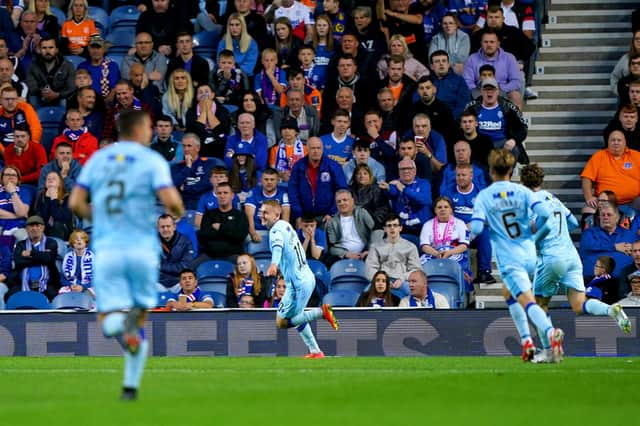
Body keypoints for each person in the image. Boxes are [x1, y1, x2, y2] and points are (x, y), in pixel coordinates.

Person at [69, 109, 185, 400]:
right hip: (143, 249)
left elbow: (75, 202)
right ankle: (131, 387)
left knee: (108, 319)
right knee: (140, 313)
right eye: (148, 127)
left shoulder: (98, 159)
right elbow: (173, 203)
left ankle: (119, 326)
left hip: (108, 248)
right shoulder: (151, 161)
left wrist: (98, 215)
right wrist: (177, 211)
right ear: (141, 129)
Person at [519, 163, 631, 363]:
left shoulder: (529, 203)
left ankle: (549, 347)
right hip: (571, 256)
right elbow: (572, 223)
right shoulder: (554, 199)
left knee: (539, 305)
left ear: (522, 183)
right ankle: (610, 309)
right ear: (541, 180)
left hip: (551, 257)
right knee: (579, 304)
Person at [470, 149, 563, 363]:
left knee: (527, 301)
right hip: (529, 253)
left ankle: (550, 332)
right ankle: (527, 342)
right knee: (508, 293)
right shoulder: (523, 192)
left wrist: (478, 226)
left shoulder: (484, 196)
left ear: (491, 170)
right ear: (511, 170)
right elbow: (545, 214)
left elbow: (476, 228)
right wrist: (533, 231)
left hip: (509, 257)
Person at [260, 199, 338, 359]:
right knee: (297, 318)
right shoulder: (285, 225)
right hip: (305, 277)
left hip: (298, 284)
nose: (262, 215)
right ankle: (316, 351)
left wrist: (274, 264)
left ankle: (321, 312)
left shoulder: (275, 231)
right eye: (261, 212)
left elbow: (277, 246)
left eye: (266, 212)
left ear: (276, 215)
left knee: (282, 322)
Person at [464, 77, 529, 165]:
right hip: (479, 143)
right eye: (486, 89)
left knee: (514, 150)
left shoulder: (508, 107)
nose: (489, 92)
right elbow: (461, 124)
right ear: (481, 92)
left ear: (498, 91)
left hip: (501, 144)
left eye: (492, 89)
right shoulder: (472, 107)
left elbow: (522, 127)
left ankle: (505, 177)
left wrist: (513, 140)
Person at [288, 136, 347, 226]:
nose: (316, 151)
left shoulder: (333, 166)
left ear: (322, 148)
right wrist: (298, 214)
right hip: (304, 216)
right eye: (313, 148)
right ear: (307, 149)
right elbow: (293, 191)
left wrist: (332, 213)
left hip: (326, 216)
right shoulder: (298, 166)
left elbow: (342, 190)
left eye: (318, 148)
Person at [581, 130, 640, 212]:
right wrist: (589, 197)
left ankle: (628, 220)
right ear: (608, 142)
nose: (616, 142)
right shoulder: (599, 156)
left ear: (625, 142)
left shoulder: (636, 156)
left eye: (619, 140)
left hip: (633, 202)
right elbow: (586, 178)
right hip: (605, 202)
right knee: (588, 209)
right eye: (613, 140)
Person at [5, 215, 60, 302]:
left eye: (37, 225)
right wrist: (41, 257)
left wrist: (30, 253)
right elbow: (19, 261)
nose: (34, 228)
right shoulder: (21, 245)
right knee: (9, 297)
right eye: (31, 226)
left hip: (47, 284)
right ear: (26, 229)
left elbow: (49, 259)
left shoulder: (51, 242)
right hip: (22, 283)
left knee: (55, 298)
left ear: (43, 228)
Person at [463, 29, 522, 108]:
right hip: (479, 92)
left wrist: (501, 88)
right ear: (481, 43)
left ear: (498, 43)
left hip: (502, 91)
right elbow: (467, 81)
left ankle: (516, 120)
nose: (489, 45)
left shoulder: (509, 58)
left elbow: (516, 81)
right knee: (463, 95)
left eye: (492, 42)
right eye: (486, 42)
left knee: (516, 96)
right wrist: (480, 91)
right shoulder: (472, 59)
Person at [365, 214, 422, 297]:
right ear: (384, 229)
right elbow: (370, 268)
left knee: (416, 295)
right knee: (365, 296)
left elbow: (416, 269)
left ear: (400, 228)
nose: (392, 228)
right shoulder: (375, 247)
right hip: (381, 281)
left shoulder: (410, 247)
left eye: (395, 225)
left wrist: (402, 279)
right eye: (389, 225)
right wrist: (382, 280)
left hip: (403, 281)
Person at [420, 196, 471, 285]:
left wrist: (449, 253)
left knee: (460, 269)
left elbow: (464, 245)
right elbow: (424, 246)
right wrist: (437, 254)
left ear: (451, 209)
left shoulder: (460, 223)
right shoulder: (427, 224)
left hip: (455, 253)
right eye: (439, 207)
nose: (442, 209)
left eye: (446, 207)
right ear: (435, 210)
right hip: (434, 253)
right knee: (420, 269)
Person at [195, 182, 248, 264]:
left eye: (225, 193)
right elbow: (204, 235)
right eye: (219, 193)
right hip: (209, 255)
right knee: (191, 268)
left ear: (232, 195)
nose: (222, 196)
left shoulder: (240, 215)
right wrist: (230, 231)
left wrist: (221, 228)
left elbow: (240, 236)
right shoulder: (209, 214)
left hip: (233, 256)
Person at [580, 203, 635, 280]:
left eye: (609, 215)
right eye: (603, 215)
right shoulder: (589, 233)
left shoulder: (629, 235)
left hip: (623, 280)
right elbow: (589, 246)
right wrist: (615, 247)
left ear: (617, 218)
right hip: (593, 279)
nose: (605, 217)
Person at [379, 157, 432, 236]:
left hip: (422, 227)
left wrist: (404, 189)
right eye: (402, 169)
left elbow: (425, 200)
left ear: (415, 171)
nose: (406, 171)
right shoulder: (395, 184)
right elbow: (392, 193)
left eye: (409, 168)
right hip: (402, 229)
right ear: (399, 171)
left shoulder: (423, 183)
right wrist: (387, 188)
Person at [326, 189, 376, 263]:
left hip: (365, 253)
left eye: (345, 200)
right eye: (339, 201)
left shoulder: (362, 213)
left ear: (352, 201)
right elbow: (332, 247)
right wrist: (346, 254)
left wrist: (370, 250)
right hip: (343, 255)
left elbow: (376, 231)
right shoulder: (332, 222)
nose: (342, 203)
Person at [171, 133, 217, 210]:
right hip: (183, 204)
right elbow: (174, 183)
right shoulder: (176, 166)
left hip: (204, 203)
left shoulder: (209, 164)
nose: (186, 149)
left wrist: (186, 188)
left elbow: (207, 183)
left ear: (198, 148)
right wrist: (188, 167)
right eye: (184, 146)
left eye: (189, 146)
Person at [185, 83, 231, 159]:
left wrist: (208, 110)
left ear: (212, 95)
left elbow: (222, 130)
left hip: (219, 144)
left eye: (206, 91)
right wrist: (203, 112)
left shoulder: (222, 110)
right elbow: (193, 133)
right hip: (199, 144)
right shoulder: (191, 112)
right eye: (200, 92)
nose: (204, 94)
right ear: (197, 97)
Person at [245, 168, 290, 243]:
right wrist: (253, 233)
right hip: (257, 230)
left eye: (272, 179)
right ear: (261, 180)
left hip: (277, 231)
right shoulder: (253, 192)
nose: (269, 182)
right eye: (266, 179)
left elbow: (286, 216)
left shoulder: (283, 194)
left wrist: (283, 234)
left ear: (278, 181)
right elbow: (249, 216)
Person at [77, 35, 121, 102]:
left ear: (104, 49)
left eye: (98, 48)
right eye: (93, 48)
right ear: (88, 49)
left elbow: (114, 89)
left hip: (105, 102)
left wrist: (105, 103)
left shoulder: (112, 66)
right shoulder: (82, 66)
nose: (95, 51)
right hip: (86, 100)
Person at [429, 50, 471, 119]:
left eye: (444, 61)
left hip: (452, 121)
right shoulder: (426, 81)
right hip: (428, 122)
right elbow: (417, 100)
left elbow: (464, 103)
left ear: (448, 64)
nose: (441, 64)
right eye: (437, 61)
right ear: (431, 66)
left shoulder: (459, 80)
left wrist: (451, 118)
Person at [157, 214, 194, 292]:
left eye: (168, 226)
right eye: (162, 227)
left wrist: (160, 266)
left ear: (174, 227)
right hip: (159, 282)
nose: (165, 229)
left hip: (179, 282)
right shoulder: (152, 242)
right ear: (158, 228)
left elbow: (185, 267)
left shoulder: (186, 242)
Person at [31, 170, 73, 240]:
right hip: (46, 230)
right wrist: (47, 199)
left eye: (54, 178)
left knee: (57, 225)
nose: (50, 180)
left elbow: (61, 219)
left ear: (60, 183)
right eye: (48, 179)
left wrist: (54, 199)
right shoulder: (41, 197)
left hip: (63, 231)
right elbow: (41, 220)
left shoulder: (67, 197)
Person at [349, 163, 392, 230]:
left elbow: (382, 210)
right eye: (358, 173)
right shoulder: (349, 190)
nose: (361, 176)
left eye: (365, 173)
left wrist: (371, 222)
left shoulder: (376, 190)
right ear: (354, 176)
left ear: (370, 176)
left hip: (373, 225)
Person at [216, 13, 259, 78]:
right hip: (226, 76)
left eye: (237, 25)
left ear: (243, 26)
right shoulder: (223, 42)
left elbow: (249, 67)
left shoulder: (252, 43)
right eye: (231, 25)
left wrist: (234, 72)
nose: (234, 28)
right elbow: (219, 62)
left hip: (245, 77)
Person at [268, 117, 307, 183]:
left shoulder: (305, 149)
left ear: (296, 132)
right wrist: (283, 174)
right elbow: (273, 169)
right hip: (281, 182)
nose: (287, 131)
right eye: (284, 128)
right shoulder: (275, 149)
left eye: (290, 128)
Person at [59, 229, 95, 299]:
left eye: (81, 238)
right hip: (71, 287)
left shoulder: (93, 257)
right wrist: (70, 285)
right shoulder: (67, 257)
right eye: (76, 239)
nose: (79, 240)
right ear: (72, 243)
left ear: (85, 242)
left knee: (86, 297)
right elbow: (62, 279)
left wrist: (83, 287)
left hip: (88, 287)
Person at [0, 165, 31, 238]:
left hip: (19, 226)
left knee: (23, 237)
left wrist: (13, 192)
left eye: (14, 175)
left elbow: (22, 212)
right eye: (7, 175)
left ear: (18, 179)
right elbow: (21, 215)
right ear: (2, 178)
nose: (10, 177)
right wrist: (16, 216)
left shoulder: (24, 192)